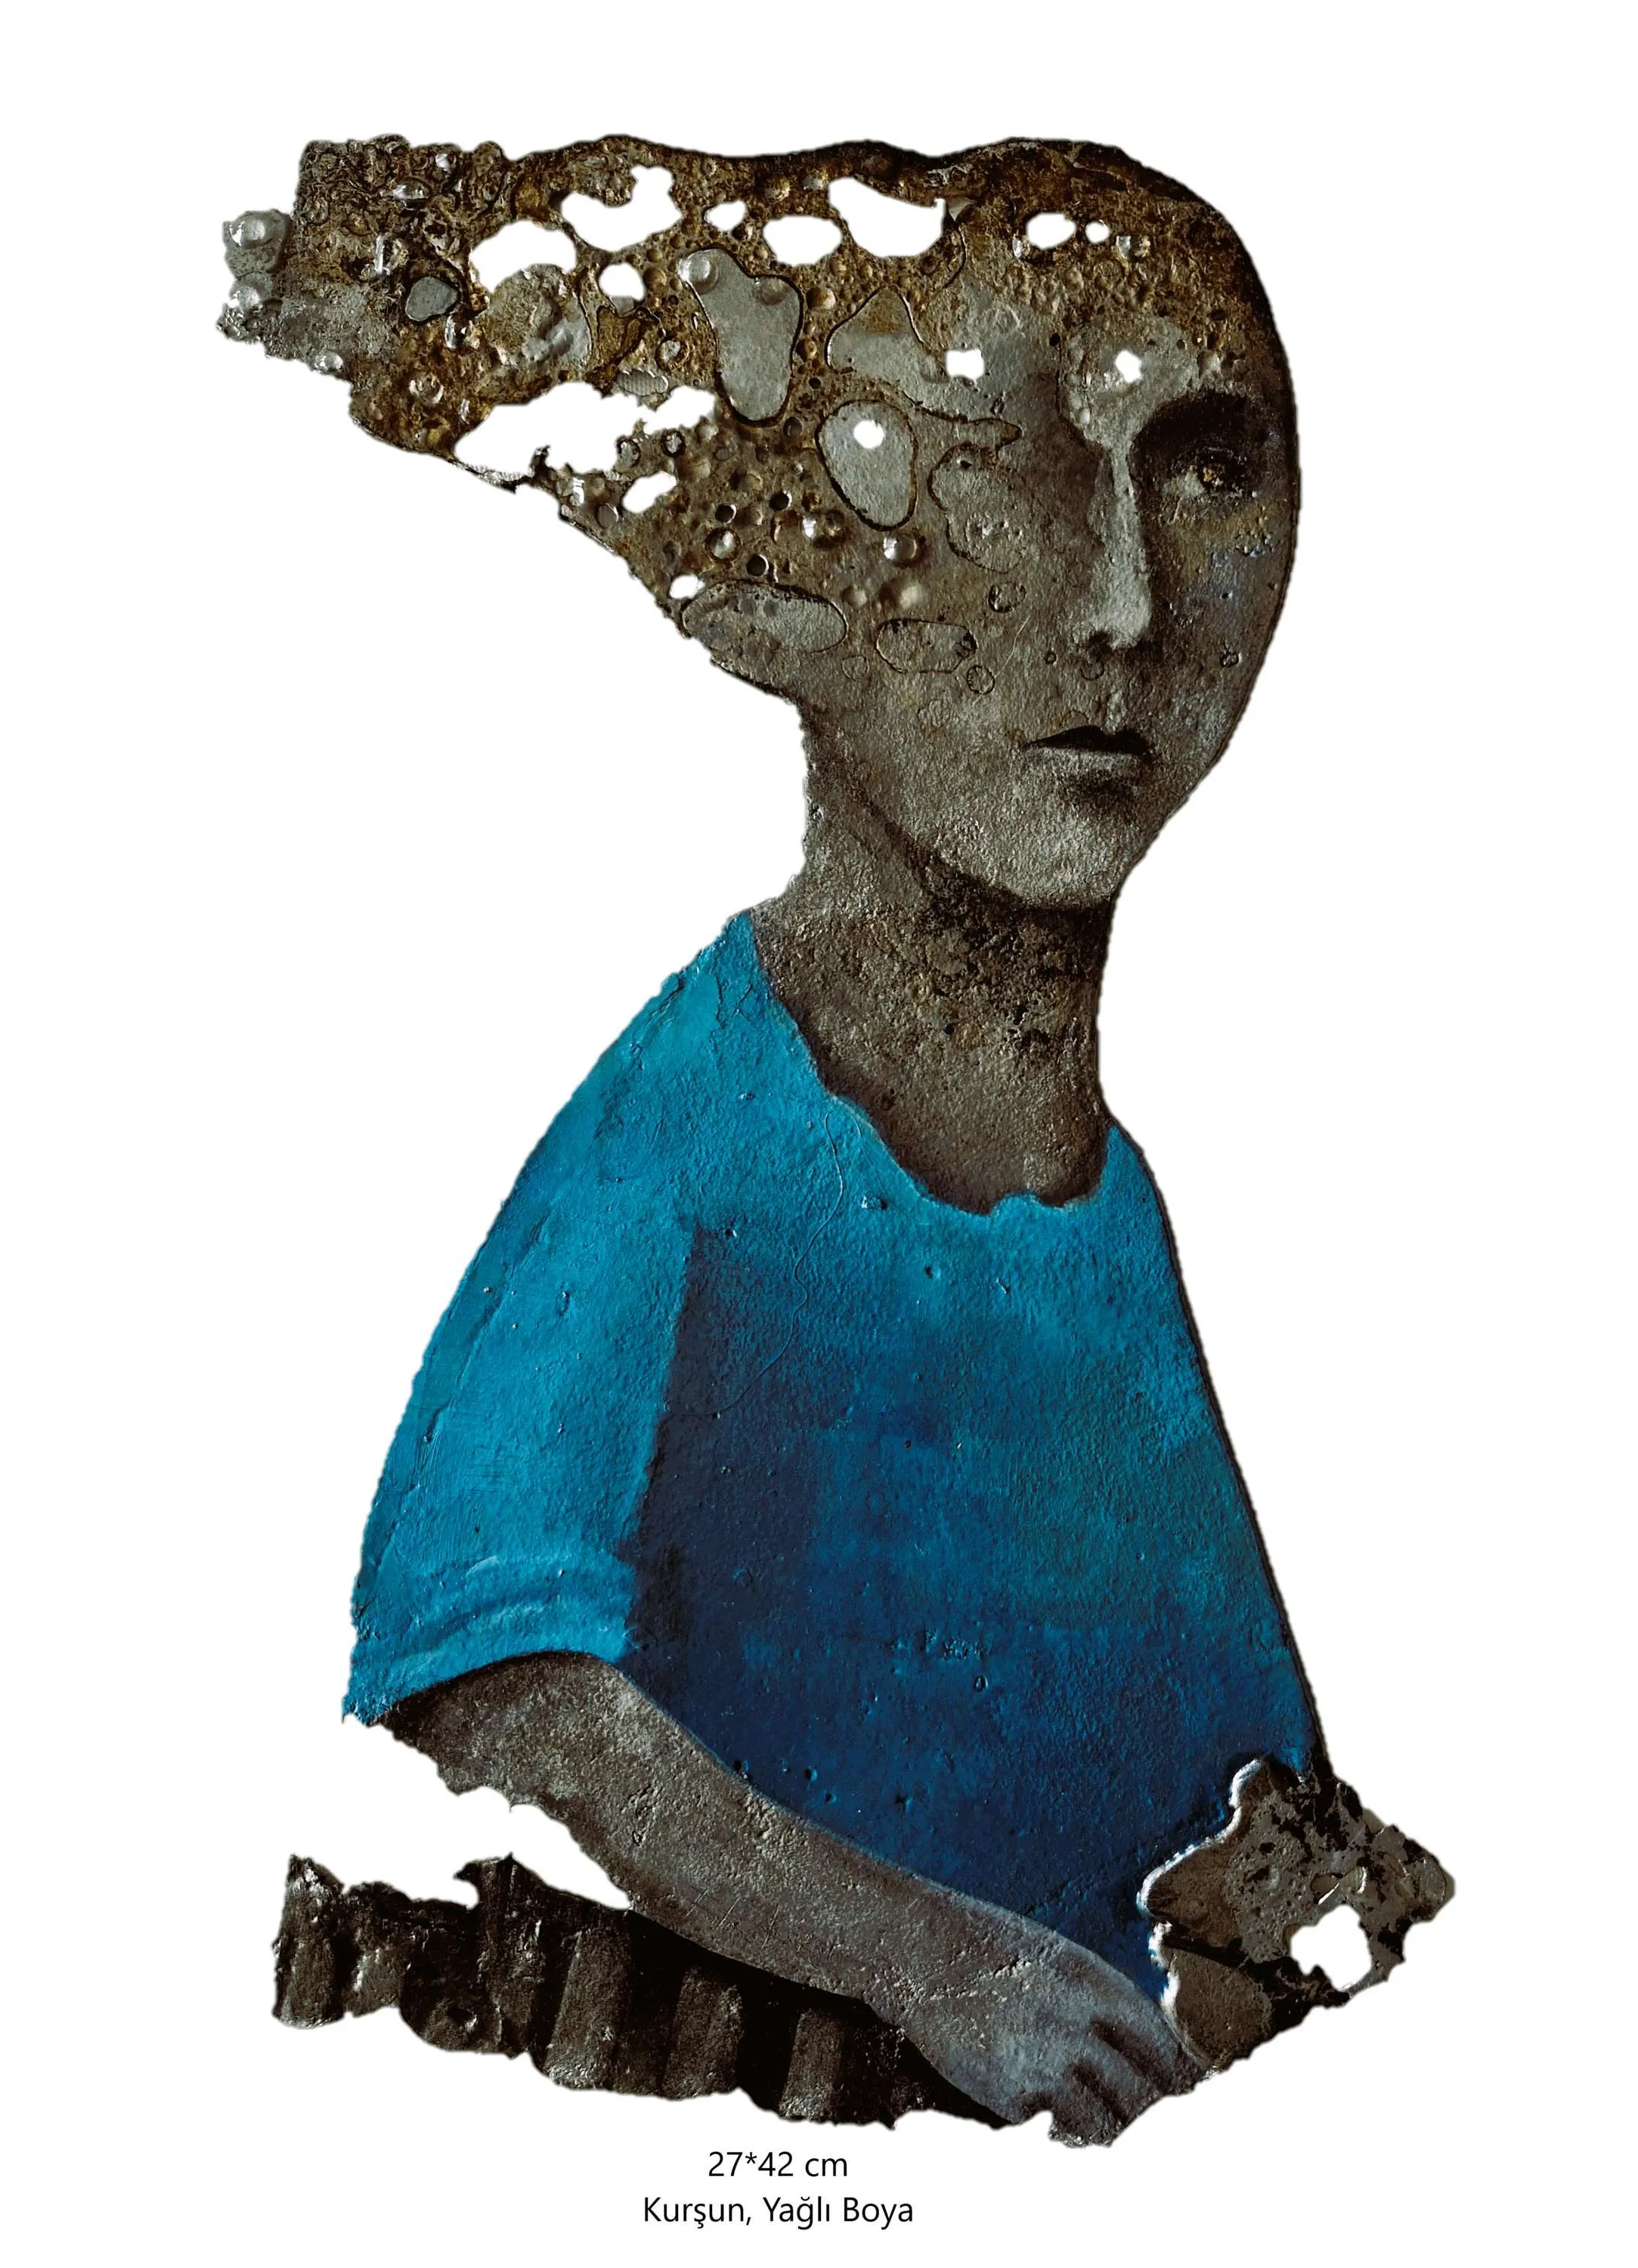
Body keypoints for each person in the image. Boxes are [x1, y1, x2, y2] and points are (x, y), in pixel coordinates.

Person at [227, 134, 1444, 2140]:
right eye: (995, 474)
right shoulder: (697, 1124)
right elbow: (480, 1666)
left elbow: (1217, 1776)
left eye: (1208, 471)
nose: (1124, 605)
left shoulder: (1115, 1214)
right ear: (785, 591)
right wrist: (926, 1963)